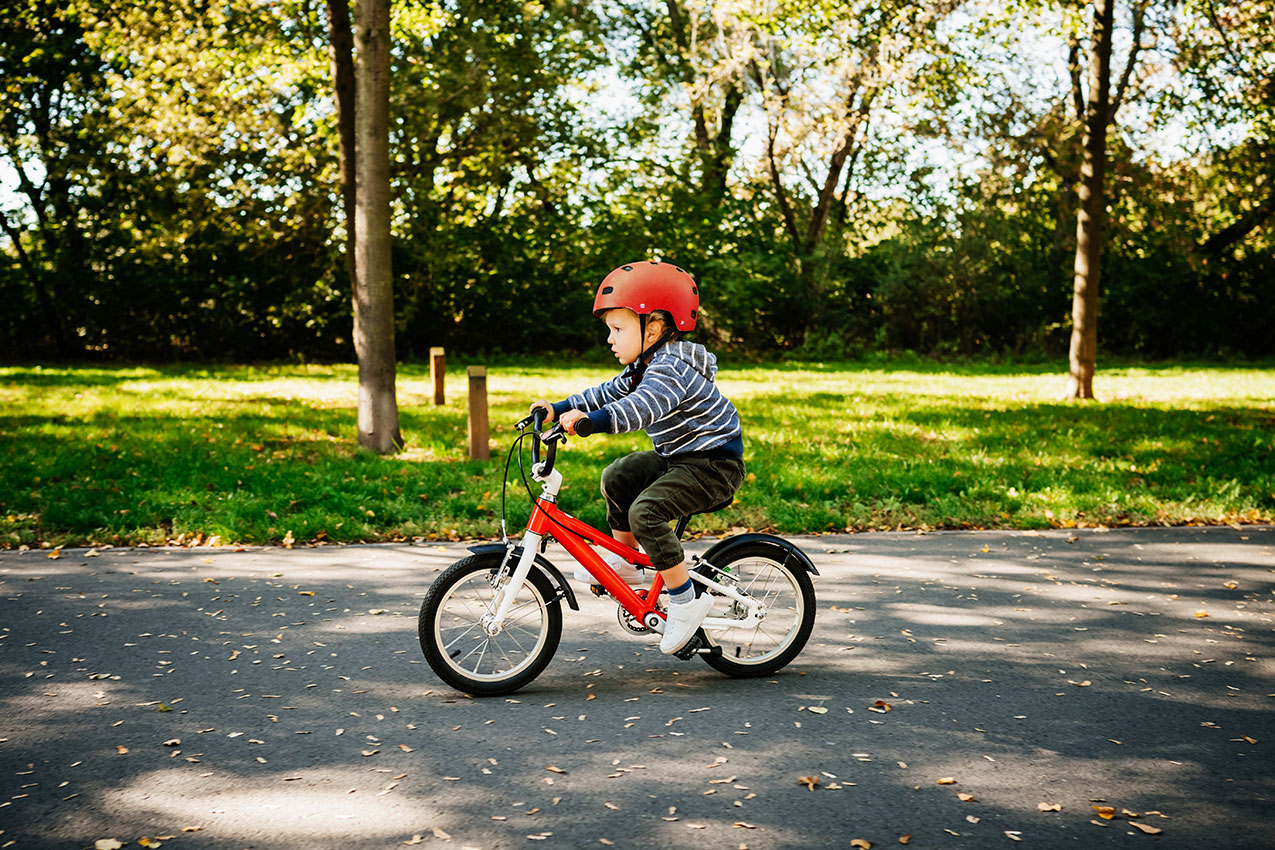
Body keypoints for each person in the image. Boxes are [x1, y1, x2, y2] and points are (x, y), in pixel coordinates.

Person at [530, 260, 745, 655]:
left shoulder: (671, 368)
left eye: (618, 329)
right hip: (680, 458)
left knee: (646, 512)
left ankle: (685, 602)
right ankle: (627, 562)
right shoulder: (642, 365)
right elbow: (605, 392)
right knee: (619, 475)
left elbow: (640, 408)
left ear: (654, 328)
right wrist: (557, 409)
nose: (610, 339)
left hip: (714, 465)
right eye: (610, 329)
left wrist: (593, 422)